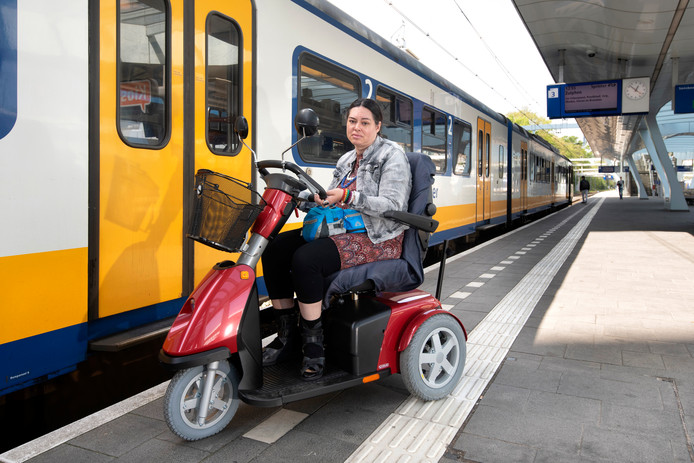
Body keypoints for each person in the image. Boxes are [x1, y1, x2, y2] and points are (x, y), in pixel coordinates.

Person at [261, 98, 412, 380]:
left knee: (306, 259)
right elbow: (331, 200)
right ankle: (287, 336)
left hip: (377, 235)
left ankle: (314, 347)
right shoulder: (346, 159)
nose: (357, 128)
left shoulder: (392, 156)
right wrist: (308, 199)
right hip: (343, 228)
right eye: (352, 121)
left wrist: (348, 197)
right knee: (274, 249)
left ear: (378, 127)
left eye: (365, 123)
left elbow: (393, 206)